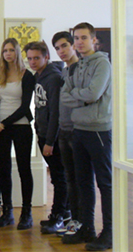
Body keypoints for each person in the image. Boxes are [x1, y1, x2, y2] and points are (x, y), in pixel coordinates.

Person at [60, 23, 112, 251]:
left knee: (105, 183)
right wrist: (83, 99)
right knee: (83, 182)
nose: (79, 42)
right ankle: (86, 228)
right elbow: (64, 95)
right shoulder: (77, 65)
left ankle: (109, 232)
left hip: (99, 129)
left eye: (84, 38)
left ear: (93, 40)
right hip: (78, 129)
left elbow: (94, 93)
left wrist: (78, 96)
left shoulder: (102, 64)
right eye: (76, 38)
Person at [0, 37, 35, 230]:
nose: (8, 53)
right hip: (1, 128)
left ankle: (26, 213)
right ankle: (7, 211)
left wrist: (2, 125)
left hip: (21, 126)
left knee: (24, 169)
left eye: (11, 50)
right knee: (3, 170)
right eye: (5, 50)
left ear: (17, 52)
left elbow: (25, 107)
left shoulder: (27, 75)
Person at [24, 41, 69, 234]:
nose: (33, 62)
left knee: (59, 178)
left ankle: (59, 216)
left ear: (46, 57)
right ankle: (62, 214)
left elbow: (55, 112)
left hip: (54, 137)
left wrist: (50, 141)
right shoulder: (38, 76)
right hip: (43, 133)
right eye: (30, 58)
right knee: (58, 177)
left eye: (36, 58)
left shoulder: (54, 78)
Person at [52, 31, 80, 237]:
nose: (61, 51)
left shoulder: (82, 70)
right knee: (69, 178)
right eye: (57, 48)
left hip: (79, 130)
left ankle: (82, 223)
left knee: (81, 180)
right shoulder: (63, 71)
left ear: (73, 45)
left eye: (64, 46)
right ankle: (72, 220)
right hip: (64, 129)